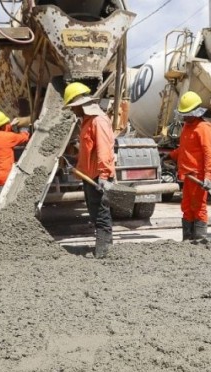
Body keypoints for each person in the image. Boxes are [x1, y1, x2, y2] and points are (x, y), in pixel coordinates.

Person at [63, 82, 116, 258]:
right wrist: (77, 167)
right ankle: (104, 249)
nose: (72, 111)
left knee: (101, 215)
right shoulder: (87, 121)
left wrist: (104, 175)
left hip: (98, 177)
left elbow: (104, 149)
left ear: (81, 104)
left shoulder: (98, 121)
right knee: (95, 215)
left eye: (73, 107)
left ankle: (104, 253)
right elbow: (88, 151)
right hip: (89, 176)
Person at [169, 91, 211, 243]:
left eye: (186, 114)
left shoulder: (203, 128)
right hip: (188, 176)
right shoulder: (187, 127)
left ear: (195, 113)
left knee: (199, 207)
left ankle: (200, 240)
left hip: (198, 176)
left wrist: (208, 176)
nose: (184, 117)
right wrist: (172, 156)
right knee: (187, 207)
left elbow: (209, 153)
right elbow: (185, 148)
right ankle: (188, 240)